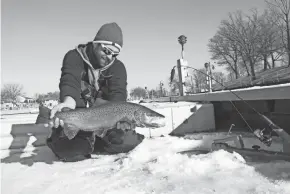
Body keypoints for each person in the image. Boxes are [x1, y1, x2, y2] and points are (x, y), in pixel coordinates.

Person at [36, 22, 144, 162]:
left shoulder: (118, 68)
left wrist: (122, 119)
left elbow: (118, 97)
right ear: (95, 44)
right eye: (106, 51)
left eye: (115, 54)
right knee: (69, 151)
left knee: (127, 142)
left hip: (105, 120)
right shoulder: (74, 57)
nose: (110, 57)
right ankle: (79, 140)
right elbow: (70, 81)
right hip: (79, 115)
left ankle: (92, 140)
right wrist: (68, 102)